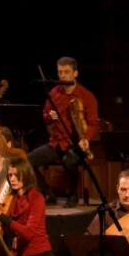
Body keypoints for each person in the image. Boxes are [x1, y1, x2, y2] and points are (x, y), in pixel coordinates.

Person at [28, 56, 99, 207]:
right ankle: (48, 193)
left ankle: (71, 195)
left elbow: (93, 123)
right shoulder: (54, 93)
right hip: (57, 143)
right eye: (60, 72)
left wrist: (86, 139)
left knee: (70, 160)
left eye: (67, 72)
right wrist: (49, 116)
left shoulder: (87, 96)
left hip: (75, 144)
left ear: (75, 73)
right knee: (28, 161)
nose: (63, 76)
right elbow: (45, 115)